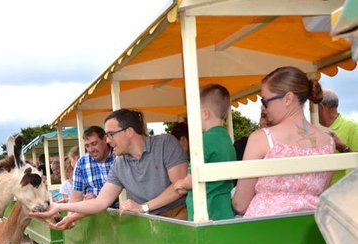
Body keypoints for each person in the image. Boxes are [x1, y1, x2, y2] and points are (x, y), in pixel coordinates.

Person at [30, 108, 189, 227]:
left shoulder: (165, 143)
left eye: (110, 134)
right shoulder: (119, 163)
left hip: (178, 218)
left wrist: (143, 207)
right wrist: (61, 208)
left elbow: (180, 187)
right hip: (147, 223)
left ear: (129, 132)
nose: (107, 140)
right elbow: (100, 202)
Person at [232, 66, 335, 218]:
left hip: (265, 231)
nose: (262, 107)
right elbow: (322, 192)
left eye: (265, 101)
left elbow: (240, 205)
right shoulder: (328, 142)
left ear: (288, 99)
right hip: (312, 229)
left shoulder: (261, 139)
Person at [173, 84, 237, 221]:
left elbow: (192, 179)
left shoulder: (203, 140)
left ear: (205, 113)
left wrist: (181, 184)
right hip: (223, 208)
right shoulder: (226, 138)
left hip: (206, 211)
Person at [318, 89, 358, 184]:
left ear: (320, 107)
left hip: (342, 194)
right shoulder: (314, 129)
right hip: (319, 193)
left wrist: (342, 147)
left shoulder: (352, 127)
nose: (309, 110)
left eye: (312, 106)